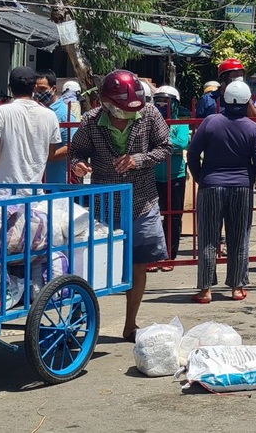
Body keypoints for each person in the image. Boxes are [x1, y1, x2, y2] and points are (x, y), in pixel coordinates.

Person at [68, 69, 172, 342]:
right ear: (107, 104)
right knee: (92, 265)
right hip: (104, 206)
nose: (129, 116)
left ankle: (130, 323)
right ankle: (80, 323)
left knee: (139, 265)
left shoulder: (150, 114)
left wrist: (138, 159)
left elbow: (166, 147)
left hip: (142, 201)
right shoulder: (91, 122)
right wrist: (77, 166)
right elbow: (75, 152)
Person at [187, 81, 256, 303]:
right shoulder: (252, 128)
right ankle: (237, 287)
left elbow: (192, 153)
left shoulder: (210, 122)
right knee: (239, 236)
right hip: (241, 187)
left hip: (210, 185)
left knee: (207, 238)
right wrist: (250, 175)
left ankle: (205, 290)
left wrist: (200, 176)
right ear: (246, 101)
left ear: (224, 100)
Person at [0, 66, 61, 193]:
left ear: (10, 88)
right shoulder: (50, 115)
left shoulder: (0, 112)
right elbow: (50, 153)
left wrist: (7, 148)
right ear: (35, 88)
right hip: (34, 193)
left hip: (4, 192)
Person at [151, 86, 190, 273]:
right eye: (158, 102)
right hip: (152, 176)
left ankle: (169, 255)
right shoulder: (150, 121)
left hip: (175, 176)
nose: (161, 106)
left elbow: (182, 143)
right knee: (151, 218)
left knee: (173, 217)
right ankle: (152, 256)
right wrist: (166, 147)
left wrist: (159, 146)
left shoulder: (180, 124)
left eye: (166, 103)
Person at [33, 69, 77, 184]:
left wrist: (48, 157)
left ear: (54, 89)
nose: (38, 93)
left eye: (42, 89)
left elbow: (71, 146)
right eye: (35, 90)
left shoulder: (64, 114)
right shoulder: (36, 110)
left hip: (56, 179)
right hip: (37, 179)